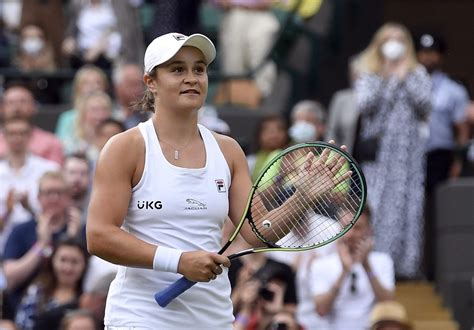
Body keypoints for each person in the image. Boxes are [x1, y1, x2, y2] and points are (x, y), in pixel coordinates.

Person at [86, 32, 346, 328]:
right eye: (177, 69)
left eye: (199, 69)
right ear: (151, 82)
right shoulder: (125, 147)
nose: (192, 78)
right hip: (141, 317)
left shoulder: (228, 150)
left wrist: (302, 198)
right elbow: (99, 236)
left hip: (214, 318)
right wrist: (180, 261)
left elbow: (257, 232)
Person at [353, 22, 431, 278]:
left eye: (399, 39)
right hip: (379, 156)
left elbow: (425, 105)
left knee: (407, 207)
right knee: (377, 203)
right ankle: (374, 261)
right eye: (389, 39)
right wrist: (386, 76)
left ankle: (404, 268)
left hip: (408, 156)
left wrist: (403, 76)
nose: (394, 44)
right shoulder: (369, 73)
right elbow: (365, 105)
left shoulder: (417, 72)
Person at [415, 32, 470, 279]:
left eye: (432, 52)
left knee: (439, 213)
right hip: (411, 157)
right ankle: (411, 267)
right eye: (423, 52)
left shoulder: (453, 89)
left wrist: (457, 161)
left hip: (439, 155)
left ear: (440, 56)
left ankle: (437, 270)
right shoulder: (406, 83)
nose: (427, 57)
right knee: (412, 213)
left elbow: (461, 129)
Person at [2, 171, 84, 319]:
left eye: (59, 192)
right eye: (48, 193)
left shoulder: (78, 230)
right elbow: (10, 278)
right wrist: (41, 245)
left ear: (68, 197)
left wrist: (73, 240)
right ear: (38, 197)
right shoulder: (21, 230)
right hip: (21, 313)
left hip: (67, 314)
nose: (54, 198)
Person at [311, 205, 395, 330]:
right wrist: (344, 272)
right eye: (346, 227)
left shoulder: (382, 261)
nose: (349, 234)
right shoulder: (321, 264)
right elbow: (321, 310)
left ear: (369, 230)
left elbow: (388, 304)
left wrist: (367, 267)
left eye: (357, 228)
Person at [0, 118, 60, 253]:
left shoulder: (49, 169)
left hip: (41, 240)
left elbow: (58, 214)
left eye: (22, 133)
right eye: (12, 133)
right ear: (4, 136)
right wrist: (8, 211)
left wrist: (29, 207)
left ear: (30, 136)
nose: (17, 138)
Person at [14, 237, 88, 330]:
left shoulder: (87, 298)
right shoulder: (37, 292)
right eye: (63, 260)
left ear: (84, 264)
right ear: (53, 261)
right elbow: (22, 325)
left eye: (74, 262)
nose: (68, 268)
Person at [0, 83, 64, 165]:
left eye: (22, 102)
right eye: (11, 103)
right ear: (1, 108)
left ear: (34, 107)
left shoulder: (51, 143)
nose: (17, 108)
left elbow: (55, 174)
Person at [246, 114, 289, 182]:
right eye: (269, 131)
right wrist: (281, 176)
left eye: (279, 129)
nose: (275, 135)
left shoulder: (294, 159)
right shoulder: (250, 162)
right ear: (259, 135)